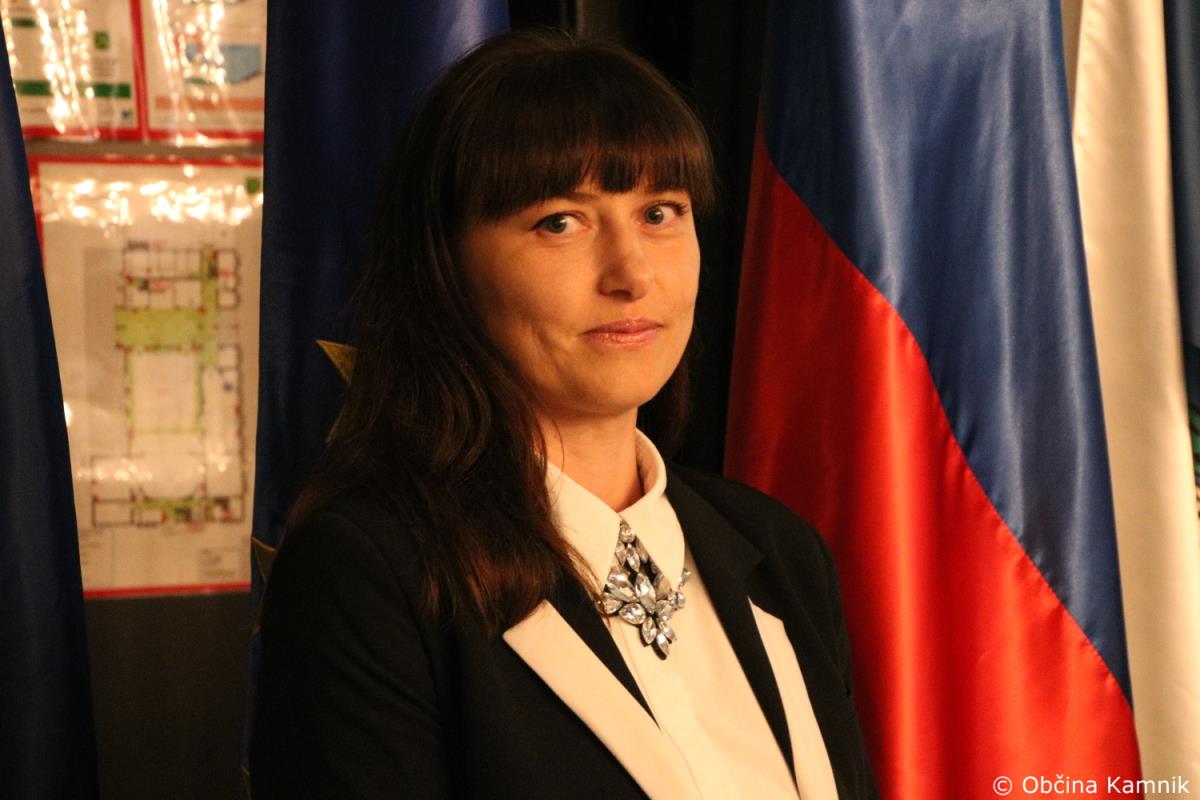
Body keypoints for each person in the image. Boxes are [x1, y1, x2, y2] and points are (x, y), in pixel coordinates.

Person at [249, 29, 877, 800]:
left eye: (660, 212)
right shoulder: (369, 575)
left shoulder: (781, 553)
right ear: (448, 269)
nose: (632, 273)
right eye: (560, 221)